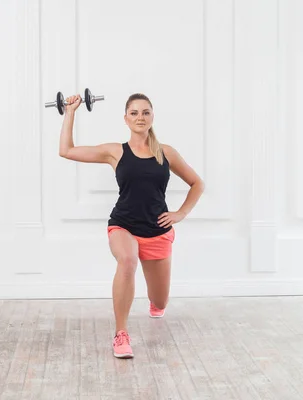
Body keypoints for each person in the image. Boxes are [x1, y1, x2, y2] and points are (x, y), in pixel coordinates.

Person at [58, 92, 205, 358]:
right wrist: (70, 113)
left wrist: (180, 213)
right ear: (125, 118)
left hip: (157, 230)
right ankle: (121, 334)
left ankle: (155, 304)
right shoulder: (115, 151)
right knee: (127, 260)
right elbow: (66, 150)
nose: (140, 117)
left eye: (145, 112)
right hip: (123, 224)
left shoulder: (167, 153)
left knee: (160, 301)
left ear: (152, 117)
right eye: (134, 113)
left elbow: (197, 183)